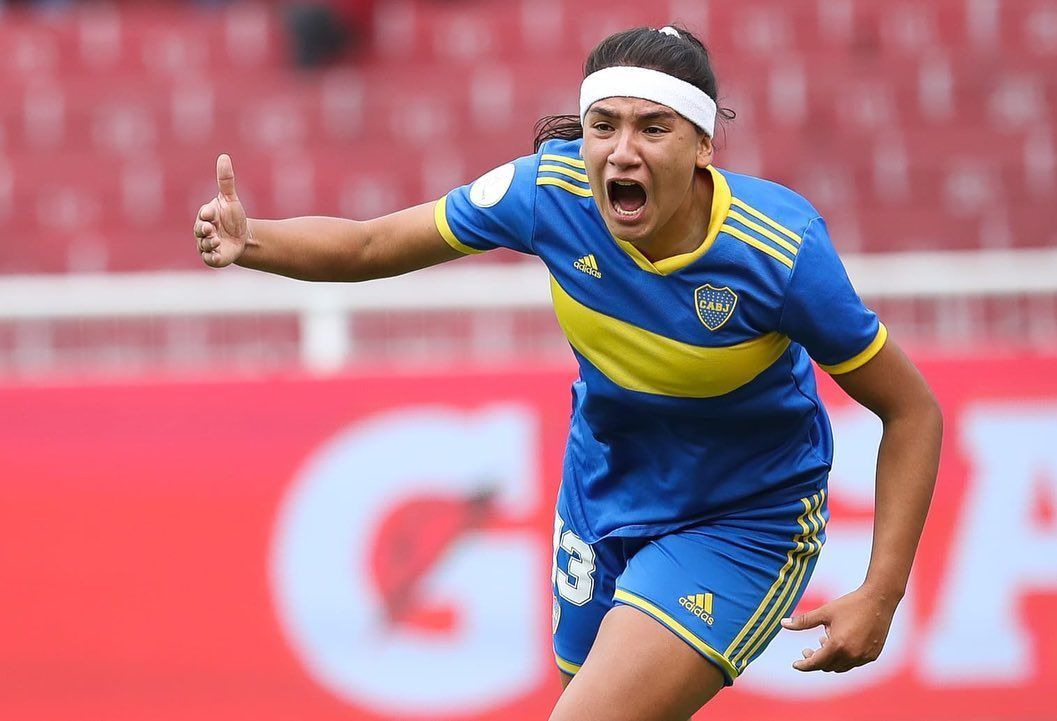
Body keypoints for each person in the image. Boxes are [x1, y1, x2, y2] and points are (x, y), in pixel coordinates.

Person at [193, 25, 942, 721]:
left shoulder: (779, 252)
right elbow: (367, 246)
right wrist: (253, 239)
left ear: (704, 145)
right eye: (603, 125)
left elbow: (911, 411)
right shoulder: (548, 193)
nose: (622, 151)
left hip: (740, 519)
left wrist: (880, 592)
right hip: (599, 493)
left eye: (653, 128)